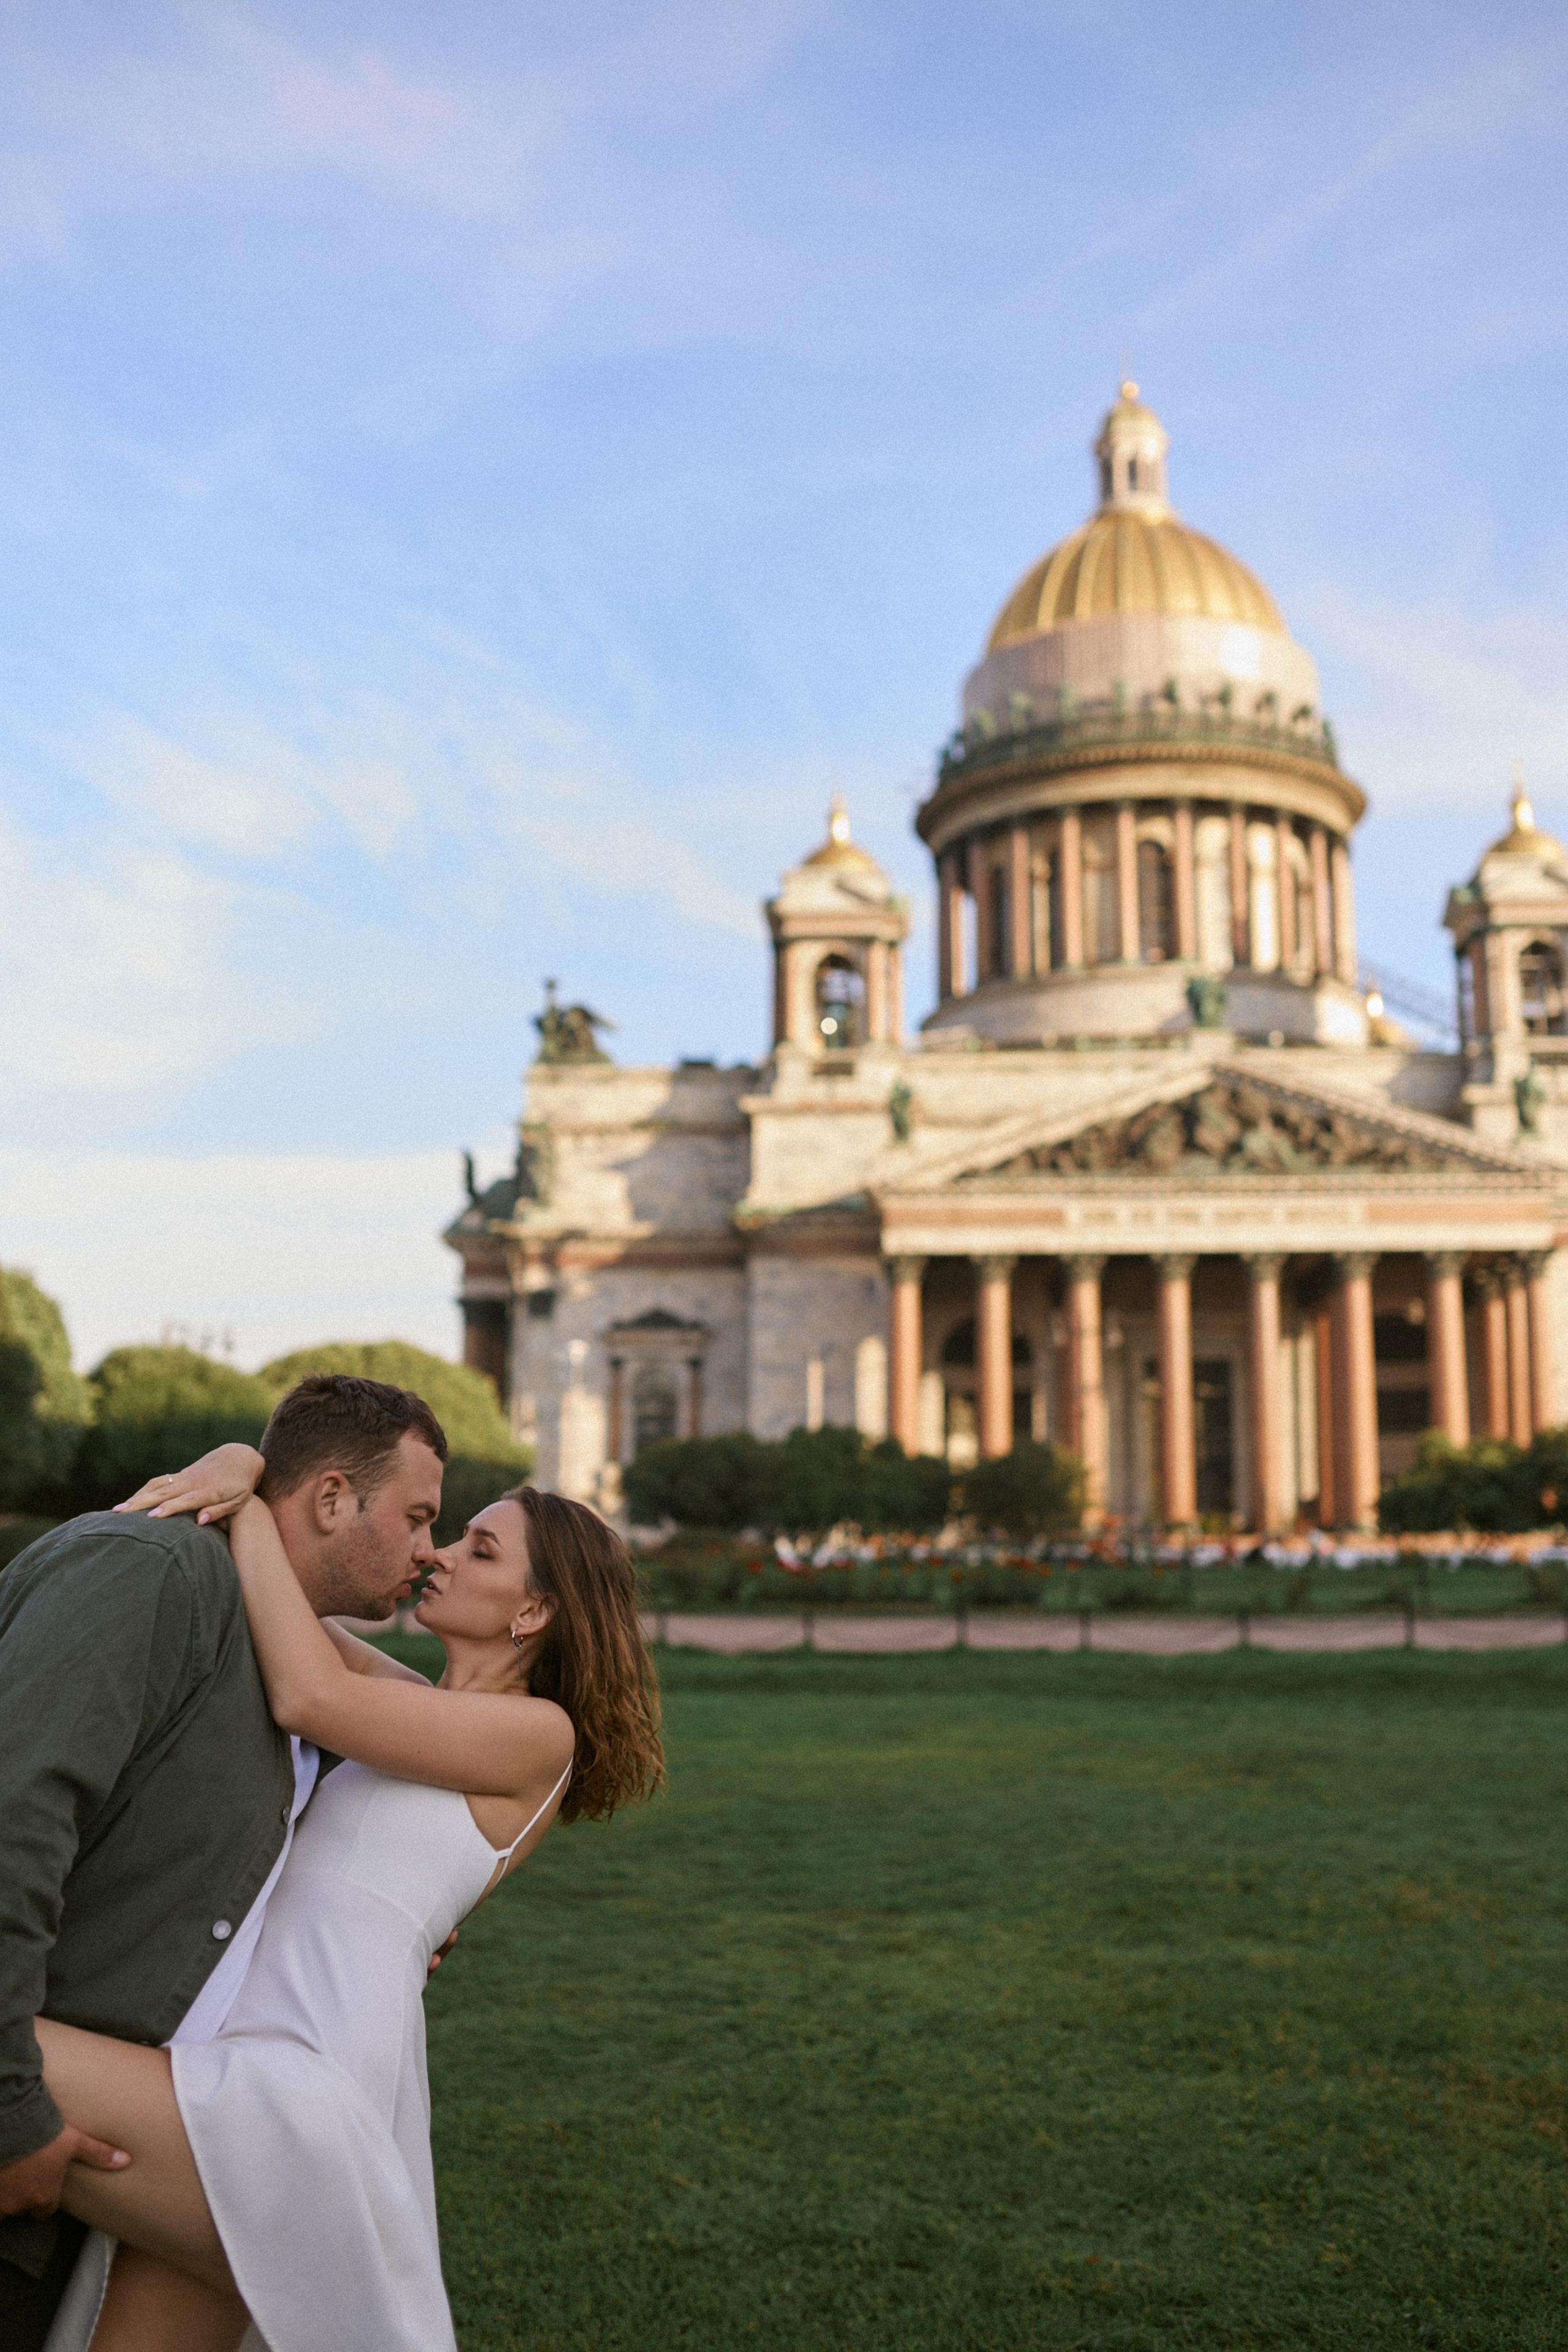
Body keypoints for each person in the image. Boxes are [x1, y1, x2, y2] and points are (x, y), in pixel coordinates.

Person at [36, 1440, 663, 2351]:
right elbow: (275, 1607)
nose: (439, 1553)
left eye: (480, 1549)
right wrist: (245, 1461)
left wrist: (247, 1503)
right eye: (449, 1534)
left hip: (297, 2085)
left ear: (534, 1611)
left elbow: (307, 1693)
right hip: (235, 2059)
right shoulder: (417, 1704)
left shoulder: (539, 1737)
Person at [0, 1374, 448, 2352]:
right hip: (37, 2107)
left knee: (309, 2244)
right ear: (333, 1498)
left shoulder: (299, 1668)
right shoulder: (151, 1573)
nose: (429, 1552)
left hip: (133, 2131)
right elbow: (11, 1825)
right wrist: (11, 2112)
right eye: (418, 1517)